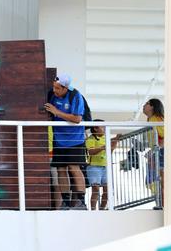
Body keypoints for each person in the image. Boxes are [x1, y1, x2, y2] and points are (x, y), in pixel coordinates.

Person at [44, 74, 87, 210]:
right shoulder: (53, 95)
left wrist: (57, 112)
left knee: (74, 168)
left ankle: (81, 201)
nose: (55, 90)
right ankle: (65, 201)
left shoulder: (75, 96)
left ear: (65, 88)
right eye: (53, 87)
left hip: (75, 139)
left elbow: (77, 119)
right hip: (59, 139)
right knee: (60, 169)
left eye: (57, 88)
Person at [85, 120, 120, 210]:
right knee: (95, 189)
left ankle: (102, 209)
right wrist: (103, 147)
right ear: (95, 128)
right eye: (102, 127)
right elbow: (90, 151)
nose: (104, 129)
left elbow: (110, 151)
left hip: (105, 167)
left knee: (107, 190)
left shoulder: (106, 138)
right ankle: (93, 210)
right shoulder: (91, 139)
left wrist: (115, 140)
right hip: (94, 166)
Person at [143, 98, 165, 208]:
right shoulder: (151, 120)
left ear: (152, 106)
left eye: (146, 104)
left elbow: (165, 137)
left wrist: (154, 151)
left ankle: (163, 206)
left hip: (161, 153)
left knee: (161, 181)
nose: (144, 106)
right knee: (156, 181)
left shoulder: (156, 119)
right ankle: (160, 204)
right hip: (158, 152)